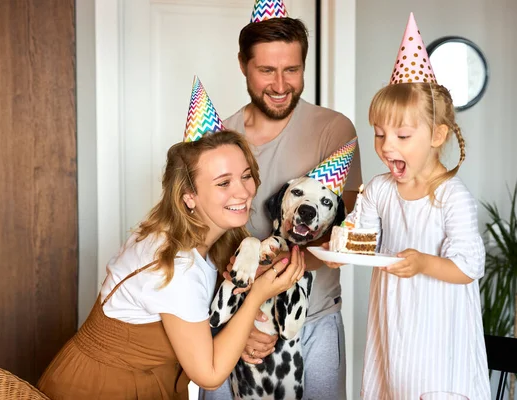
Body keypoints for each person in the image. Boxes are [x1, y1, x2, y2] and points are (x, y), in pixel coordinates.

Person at [37, 127, 306, 399]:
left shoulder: (209, 239)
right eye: (223, 183)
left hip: (149, 382)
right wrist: (256, 297)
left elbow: (196, 323)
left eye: (246, 176)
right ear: (189, 195)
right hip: (100, 388)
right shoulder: (176, 264)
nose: (243, 192)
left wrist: (239, 333)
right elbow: (209, 376)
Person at [200, 2, 362, 399]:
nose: (280, 84)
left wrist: (269, 302)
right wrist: (245, 321)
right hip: (232, 324)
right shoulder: (220, 137)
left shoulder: (333, 130)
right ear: (242, 64)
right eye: (266, 71)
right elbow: (203, 238)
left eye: (292, 70)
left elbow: (351, 230)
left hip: (312, 322)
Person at [355, 13, 491, 400]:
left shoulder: (451, 196)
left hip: (438, 340)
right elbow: (360, 235)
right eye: (379, 134)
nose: (385, 146)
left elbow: (468, 266)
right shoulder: (380, 190)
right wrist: (340, 250)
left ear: (437, 135)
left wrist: (423, 263)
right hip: (392, 333)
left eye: (401, 134)